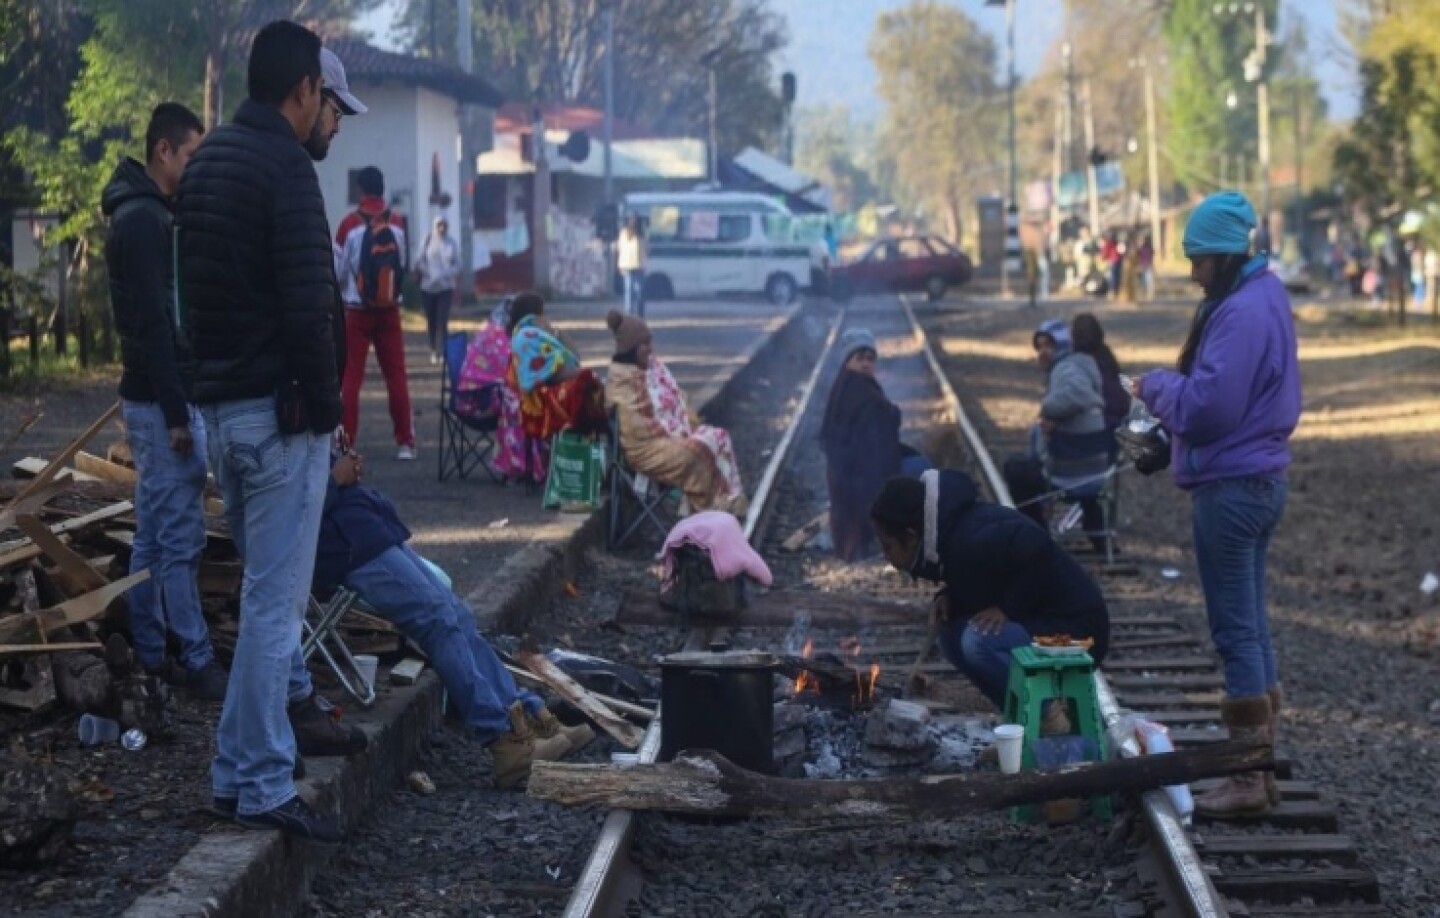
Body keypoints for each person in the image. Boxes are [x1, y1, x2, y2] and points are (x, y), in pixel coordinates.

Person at [177, 20, 362, 843]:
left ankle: (232, 772)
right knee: (274, 612)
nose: (324, 110)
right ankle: (257, 783)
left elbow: (193, 298)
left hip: (221, 414)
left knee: (261, 603)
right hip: (280, 421)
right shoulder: (286, 167)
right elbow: (306, 304)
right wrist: (327, 418)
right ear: (302, 92)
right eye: (322, 97)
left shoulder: (209, 158)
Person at [1130, 191, 1300, 819]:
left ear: (1227, 256)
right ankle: (1260, 766)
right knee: (1251, 626)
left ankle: (1248, 780)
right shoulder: (1265, 295)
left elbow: (1209, 407)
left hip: (1231, 490)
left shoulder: (1240, 313)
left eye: (1199, 259)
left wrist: (1155, 386)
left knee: (1234, 632)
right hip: (1256, 482)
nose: (1192, 271)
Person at [315, 451, 593, 787]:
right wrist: (334, 479)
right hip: (341, 544)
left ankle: (523, 716)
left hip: (360, 527)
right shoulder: (261, 420)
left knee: (456, 614)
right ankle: (504, 739)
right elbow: (288, 509)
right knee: (437, 620)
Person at [102, 103, 222, 699]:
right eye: (191, 156)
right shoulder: (144, 221)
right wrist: (178, 411)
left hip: (154, 397)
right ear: (163, 152)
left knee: (153, 535)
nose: (194, 168)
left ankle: (150, 652)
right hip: (158, 400)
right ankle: (195, 658)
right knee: (180, 539)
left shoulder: (148, 213)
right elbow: (152, 323)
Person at [869, 470, 1109, 711]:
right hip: (1043, 622)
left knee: (978, 642)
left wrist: (1008, 608)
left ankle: (1048, 718)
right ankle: (1017, 718)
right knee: (950, 634)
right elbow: (988, 577)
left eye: (887, 547)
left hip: (1080, 633)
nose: (888, 558)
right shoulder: (950, 535)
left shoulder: (969, 539)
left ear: (911, 537)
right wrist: (950, 596)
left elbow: (1037, 547)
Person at [604, 309, 747, 516]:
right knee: (698, 451)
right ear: (633, 349)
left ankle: (725, 509)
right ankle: (706, 518)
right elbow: (641, 427)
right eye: (645, 345)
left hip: (665, 441)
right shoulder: (621, 380)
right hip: (645, 451)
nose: (651, 350)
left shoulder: (646, 368)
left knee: (719, 437)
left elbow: (666, 401)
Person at [1002, 319, 1112, 553]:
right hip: (1097, 472)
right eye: (1039, 346)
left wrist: (1047, 409)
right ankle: (1098, 536)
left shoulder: (1066, 368)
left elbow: (1077, 393)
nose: (1043, 352)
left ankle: (1038, 537)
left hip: (1068, 475)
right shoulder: (1086, 363)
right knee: (1039, 437)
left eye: (1048, 345)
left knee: (1015, 470)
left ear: (1062, 345)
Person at [337, 165, 415, 459]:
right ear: (382, 189)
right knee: (396, 375)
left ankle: (347, 442)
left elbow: (338, 269)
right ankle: (405, 442)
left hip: (356, 311)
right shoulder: (397, 223)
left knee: (350, 377)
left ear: (360, 190)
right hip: (389, 309)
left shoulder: (349, 225)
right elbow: (402, 264)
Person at [819, 329, 909, 562]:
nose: (866, 364)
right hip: (859, 473)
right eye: (859, 358)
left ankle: (859, 549)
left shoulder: (853, 387)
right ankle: (863, 549)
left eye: (870, 359)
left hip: (854, 471)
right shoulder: (860, 393)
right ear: (848, 361)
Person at [456, 298, 543, 482]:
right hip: (475, 402)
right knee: (520, 402)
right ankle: (519, 464)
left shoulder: (505, 334)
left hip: (484, 394)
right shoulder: (500, 339)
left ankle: (534, 462)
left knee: (528, 399)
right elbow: (515, 376)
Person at [507, 291, 606, 443]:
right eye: (543, 313)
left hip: (552, 390)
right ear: (537, 315)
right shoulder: (527, 336)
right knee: (594, 394)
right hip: (544, 399)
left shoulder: (537, 334)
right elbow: (556, 370)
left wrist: (555, 333)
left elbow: (573, 358)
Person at [1071, 313, 1129, 435]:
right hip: (1113, 426)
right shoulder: (1107, 359)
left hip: (1087, 429)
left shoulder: (1071, 363)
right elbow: (1122, 400)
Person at [416, 215, 460, 364]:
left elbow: (458, 264)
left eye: (444, 225)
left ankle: (443, 350)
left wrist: (446, 274)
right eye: (439, 225)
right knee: (432, 320)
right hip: (428, 287)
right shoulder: (427, 240)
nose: (442, 228)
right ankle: (433, 349)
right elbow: (419, 260)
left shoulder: (451, 242)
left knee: (442, 319)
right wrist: (429, 273)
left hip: (445, 287)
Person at [617, 214, 646, 317]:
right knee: (630, 291)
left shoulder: (641, 234)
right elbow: (621, 249)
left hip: (638, 266)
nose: (633, 223)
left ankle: (638, 312)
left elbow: (645, 249)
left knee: (638, 291)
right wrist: (620, 266)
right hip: (629, 266)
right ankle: (629, 313)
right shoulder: (625, 233)